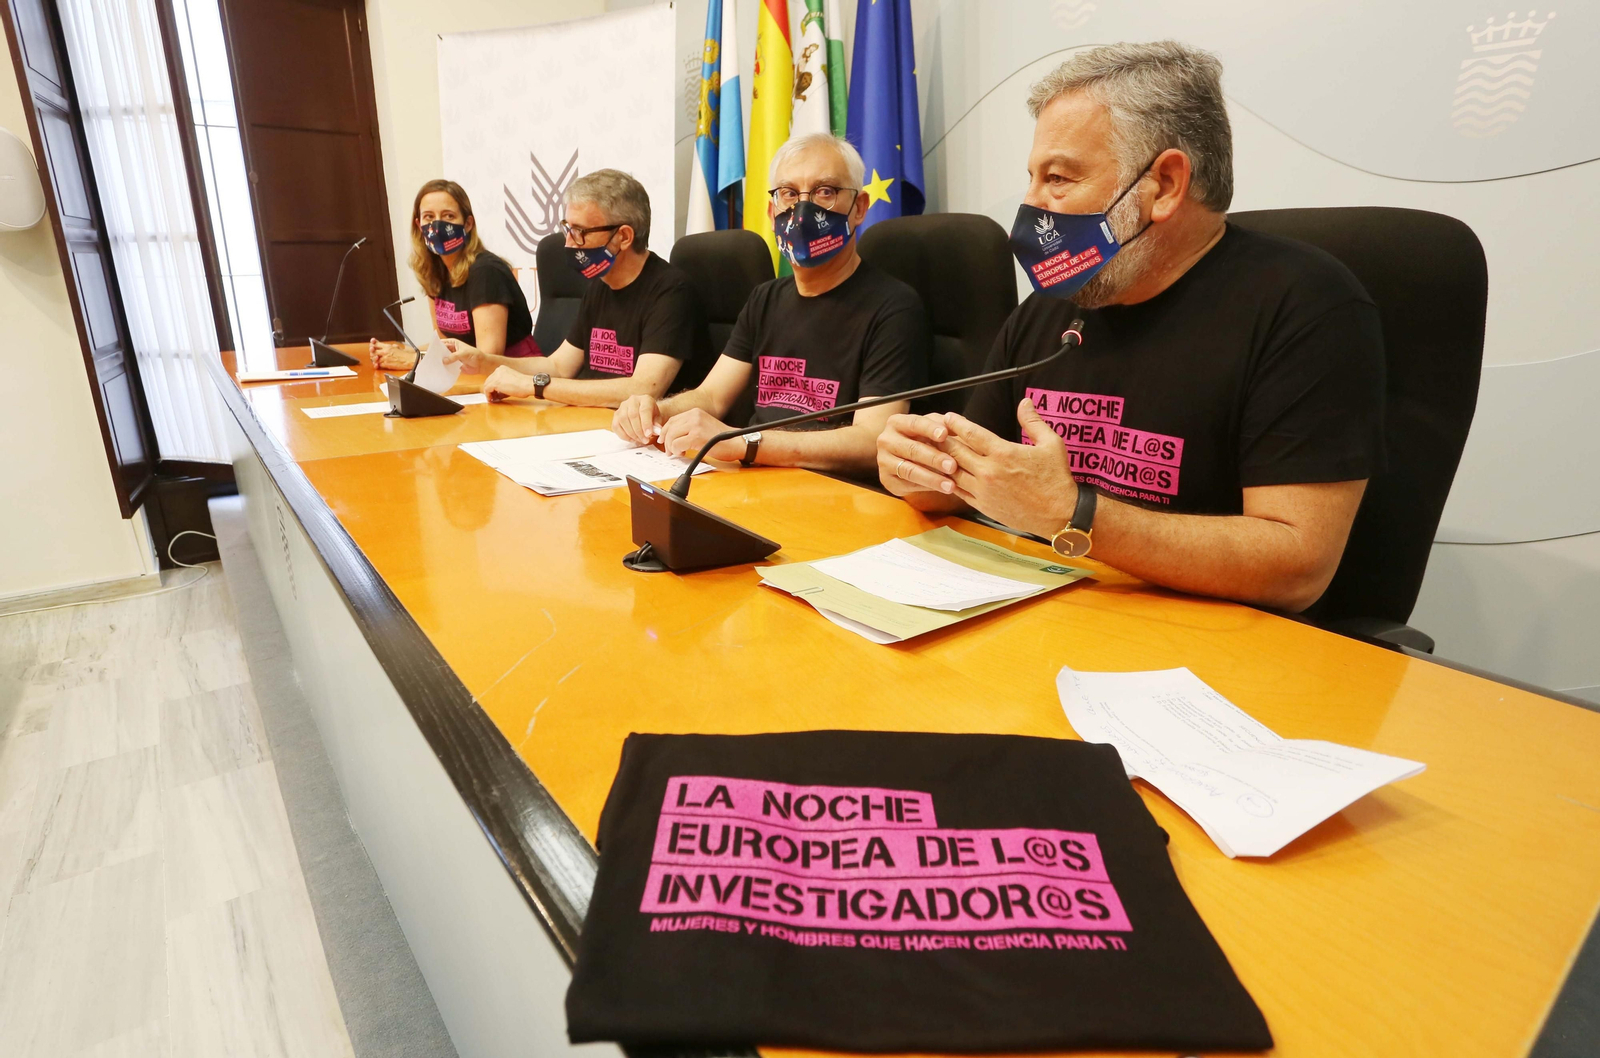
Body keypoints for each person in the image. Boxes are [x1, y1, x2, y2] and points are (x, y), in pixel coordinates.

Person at [876, 42, 1385, 613]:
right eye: (1032, 178)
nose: (1031, 205)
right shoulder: (1051, 307)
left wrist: (1073, 513)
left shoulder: (1309, 305)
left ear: (1164, 184)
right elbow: (977, 478)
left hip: (1209, 645)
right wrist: (924, 471)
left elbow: (1298, 566)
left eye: (1058, 178)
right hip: (1044, 613)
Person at [613, 133, 929, 476]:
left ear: (859, 208)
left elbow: (871, 440)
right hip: (753, 479)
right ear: (771, 211)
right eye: (789, 193)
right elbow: (711, 397)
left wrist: (746, 443)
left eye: (825, 191)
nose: (803, 210)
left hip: (833, 491)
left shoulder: (894, 307)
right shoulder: (765, 298)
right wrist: (657, 411)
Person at [445, 169, 712, 406]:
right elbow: (559, 366)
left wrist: (535, 386)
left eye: (580, 232)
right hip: (595, 424)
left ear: (623, 236)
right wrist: (483, 360)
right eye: (568, 229)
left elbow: (643, 389)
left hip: (653, 438)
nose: (569, 244)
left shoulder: (672, 292)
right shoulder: (600, 286)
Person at [370, 179, 537, 372]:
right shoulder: (434, 271)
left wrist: (413, 361)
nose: (437, 225)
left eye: (448, 216)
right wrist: (401, 351)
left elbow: (486, 358)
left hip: (517, 374)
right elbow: (446, 345)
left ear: (468, 223)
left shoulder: (486, 271)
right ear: (418, 225)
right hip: (468, 376)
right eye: (429, 217)